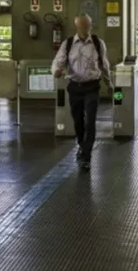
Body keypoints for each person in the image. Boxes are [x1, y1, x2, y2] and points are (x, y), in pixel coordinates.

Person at [52, 13, 110, 171]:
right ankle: (81, 145)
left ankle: (86, 155)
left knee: (90, 121)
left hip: (92, 87)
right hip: (75, 87)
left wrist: (108, 82)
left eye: (88, 26)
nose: (86, 29)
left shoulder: (98, 43)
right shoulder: (68, 43)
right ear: (77, 26)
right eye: (83, 26)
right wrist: (57, 70)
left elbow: (104, 64)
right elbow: (59, 61)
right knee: (78, 120)